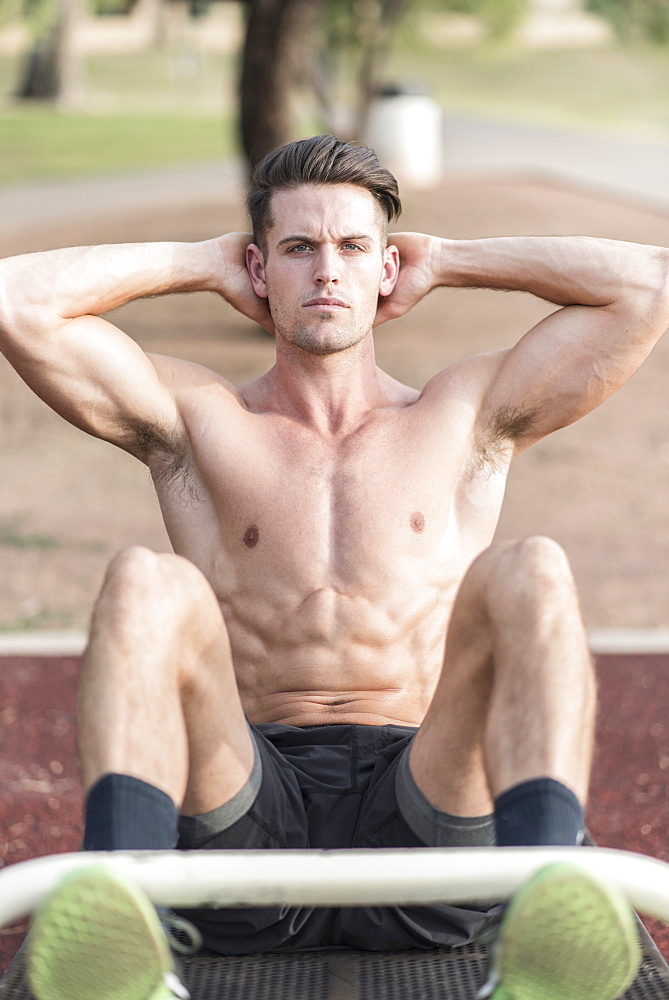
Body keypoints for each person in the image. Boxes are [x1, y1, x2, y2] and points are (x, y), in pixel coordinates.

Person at [1, 134, 666, 1000]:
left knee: (531, 569)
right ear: (258, 268)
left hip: (427, 798)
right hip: (245, 804)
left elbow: (646, 285)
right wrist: (198, 263)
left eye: (353, 248)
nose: (327, 271)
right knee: (144, 580)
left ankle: (546, 901)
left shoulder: (461, 413)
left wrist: (454, 260)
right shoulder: (199, 419)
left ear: (387, 269)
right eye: (298, 248)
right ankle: (114, 916)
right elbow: (16, 301)